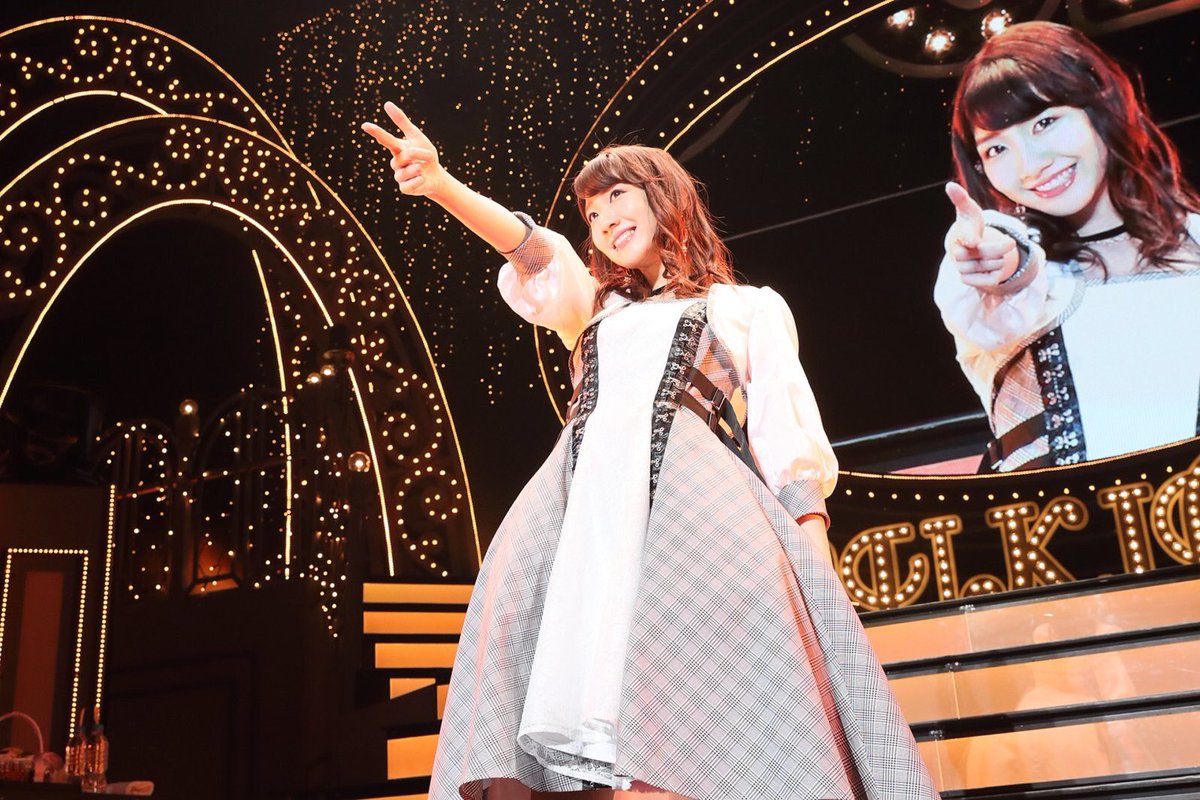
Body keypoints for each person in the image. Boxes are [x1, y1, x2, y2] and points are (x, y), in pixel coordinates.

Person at [364, 103, 937, 800]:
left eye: (616, 197)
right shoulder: (593, 307)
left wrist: (814, 559)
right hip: (582, 520)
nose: (603, 219)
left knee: (687, 715)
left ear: (664, 198)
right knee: (557, 679)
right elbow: (528, 247)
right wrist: (442, 185)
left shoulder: (744, 307)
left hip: (695, 516)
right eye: (592, 212)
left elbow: (785, 433)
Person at [935, 21, 1200, 472]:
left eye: (1045, 123)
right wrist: (1006, 264)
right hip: (1058, 519)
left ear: (1101, 105)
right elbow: (1007, 262)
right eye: (996, 149)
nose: (1029, 166)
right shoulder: (1012, 272)